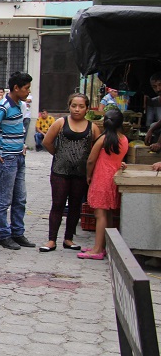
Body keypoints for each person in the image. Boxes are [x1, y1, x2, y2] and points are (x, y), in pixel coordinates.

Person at [38, 94, 99, 252]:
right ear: (69, 106)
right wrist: (59, 156)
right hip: (60, 171)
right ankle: (52, 240)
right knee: (57, 204)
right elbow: (47, 142)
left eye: (81, 106)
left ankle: (69, 239)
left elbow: (97, 149)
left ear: (87, 108)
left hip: (80, 173)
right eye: (74, 106)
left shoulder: (92, 127)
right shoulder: (61, 122)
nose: (77, 109)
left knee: (75, 206)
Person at [0, 72, 35, 250]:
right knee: (4, 200)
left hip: (19, 157)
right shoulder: (3, 106)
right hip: (7, 160)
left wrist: (22, 146)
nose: (28, 91)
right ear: (16, 88)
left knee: (20, 198)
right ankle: (3, 235)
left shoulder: (19, 104)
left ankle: (17, 233)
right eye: (26, 88)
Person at [79, 109, 128, 260]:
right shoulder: (124, 139)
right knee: (109, 213)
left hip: (101, 178)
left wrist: (88, 175)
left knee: (100, 214)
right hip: (114, 179)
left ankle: (97, 249)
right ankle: (107, 246)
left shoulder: (103, 139)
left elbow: (91, 160)